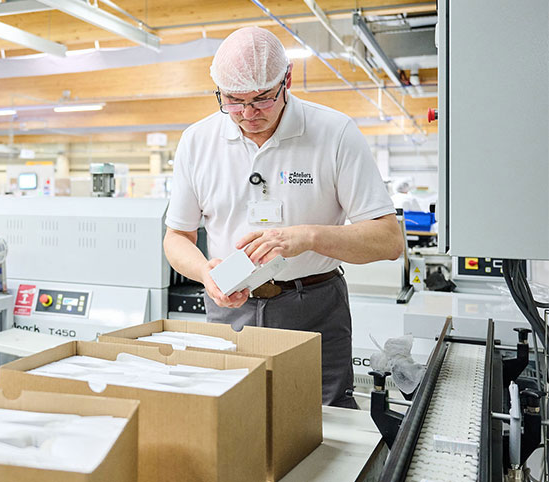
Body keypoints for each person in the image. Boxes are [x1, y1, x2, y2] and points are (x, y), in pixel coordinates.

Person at [164, 27, 404, 408]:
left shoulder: (334, 133)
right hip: (230, 310)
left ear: (287, 80)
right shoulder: (197, 141)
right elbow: (176, 237)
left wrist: (309, 237)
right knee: (234, 418)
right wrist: (206, 274)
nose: (246, 114)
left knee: (324, 425)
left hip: (314, 308)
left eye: (261, 99)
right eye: (233, 101)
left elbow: (389, 241)